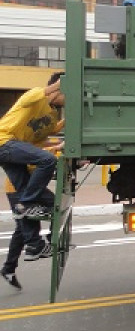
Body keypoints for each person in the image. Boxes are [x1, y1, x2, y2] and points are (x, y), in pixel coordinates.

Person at [0, 72, 65, 289]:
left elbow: (42, 139)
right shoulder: (34, 96)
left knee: (24, 224)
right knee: (28, 218)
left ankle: (13, 265)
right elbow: (39, 94)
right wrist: (62, 82)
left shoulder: (53, 117)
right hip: (6, 145)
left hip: (25, 168)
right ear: (58, 89)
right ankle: (36, 244)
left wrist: (56, 146)